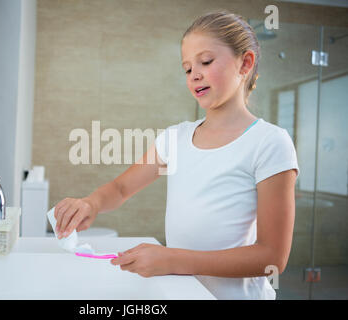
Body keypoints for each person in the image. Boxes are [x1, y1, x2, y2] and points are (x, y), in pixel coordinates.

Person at [53, 10, 299, 300]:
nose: (194, 74)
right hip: (187, 293)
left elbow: (271, 257)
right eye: (186, 68)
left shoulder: (269, 143)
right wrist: (90, 203)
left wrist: (172, 260)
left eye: (206, 62)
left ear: (245, 63)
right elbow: (121, 188)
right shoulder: (176, 137)